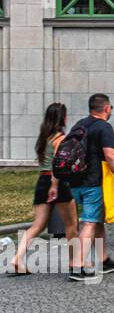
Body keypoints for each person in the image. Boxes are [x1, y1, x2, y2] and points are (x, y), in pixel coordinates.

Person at [9, 103, 78, 277]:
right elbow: (59, 164)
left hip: (42, 179)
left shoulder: (44, 138)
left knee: (37, 225)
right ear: (62, 118)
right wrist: (54, 186)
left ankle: (17, 258)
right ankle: (74, 261)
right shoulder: (60, 139)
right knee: (71, 224)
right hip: (58, 182)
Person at [64, 93, 114, 281]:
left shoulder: (79, 125)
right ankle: (77, 266)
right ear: (106, 108)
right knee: (90, 222)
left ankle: (104, 259)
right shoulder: (104, 127)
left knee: (97, 220)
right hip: (93, 181)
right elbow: (110, 155)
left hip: (74, 181)